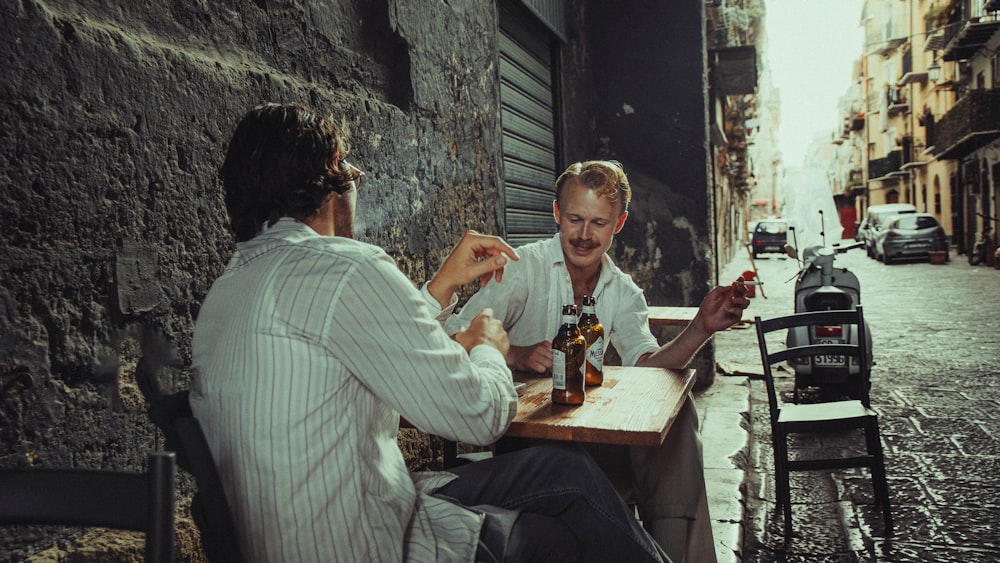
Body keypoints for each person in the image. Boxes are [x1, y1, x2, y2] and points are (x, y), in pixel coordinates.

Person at [189, 103, 669, 563]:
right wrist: (487, 348)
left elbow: (365, 354)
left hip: (295, 527)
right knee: (561, 527)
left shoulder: (228, 289)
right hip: (361, 537)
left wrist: (441, 287)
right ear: (328, 184)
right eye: (350, 171)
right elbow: (479, 417)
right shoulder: (346, 268)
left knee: (562, 469)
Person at [444, 160, 751, 563]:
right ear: (556, 214)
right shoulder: (522, 269)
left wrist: (700, 328)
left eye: (599, 223)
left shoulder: (622, 291)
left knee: (678, 421)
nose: (585, 235)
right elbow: (451, 335)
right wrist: (514, 352)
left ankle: (675, 554)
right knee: (595, 456)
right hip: (530, 444)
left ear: (619, 224)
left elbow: (647, 369)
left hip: (592, 441)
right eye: (575, 219)